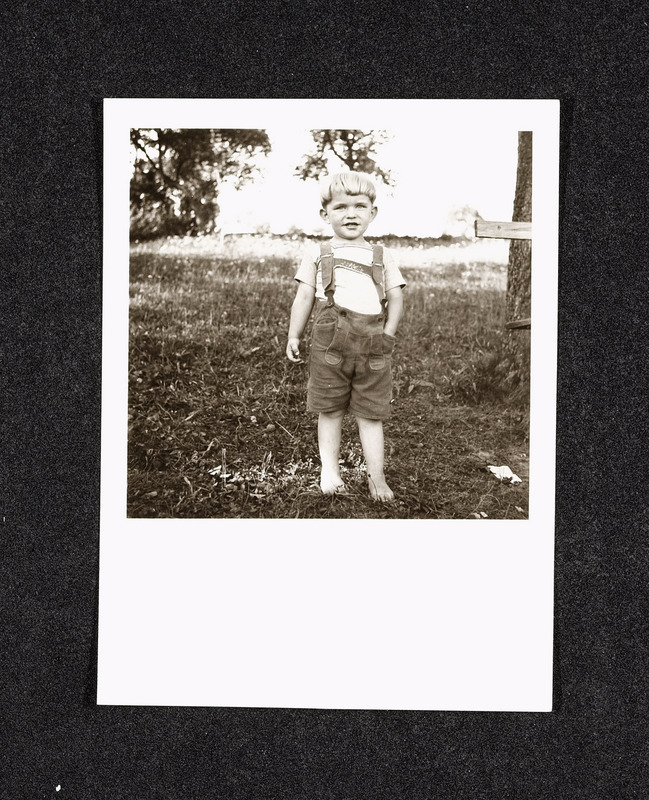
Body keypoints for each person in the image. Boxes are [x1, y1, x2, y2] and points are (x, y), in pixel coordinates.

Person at [286, 172, 405, 502]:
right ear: (325, 214)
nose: (351, 214)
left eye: (359, 206)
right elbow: (304, 297)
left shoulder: (381, 254)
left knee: (371, 412)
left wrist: (388, 334)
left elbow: (396, 297)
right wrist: (294, 335)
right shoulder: (318, 252)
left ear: (372, 213)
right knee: (330, 409)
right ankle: (330, 471)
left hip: (374, 345)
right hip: (329, 344)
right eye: (340, 207)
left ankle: (376, 477)